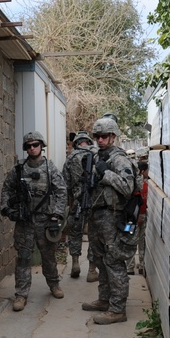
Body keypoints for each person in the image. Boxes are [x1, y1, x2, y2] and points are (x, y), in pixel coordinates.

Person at [0, 131, 68, 311]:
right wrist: (8, 209)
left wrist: (56, 215)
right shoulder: (18, 169)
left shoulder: (49, 168)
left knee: (48, 257)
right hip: (25, 221)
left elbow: (61, 192)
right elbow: (7, 189)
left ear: (41, 146)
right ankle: (21, 294)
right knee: (23, 258)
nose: (32, 148)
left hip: (45, 221)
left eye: (35, 145)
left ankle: (54, 284)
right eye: (29, 146)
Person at [81, 117, 139, 324]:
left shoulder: (119, 159)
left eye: (104, 136)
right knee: (100, 259)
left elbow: (127, 187)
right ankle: (104, 300)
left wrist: (106, 173)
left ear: (113, 137)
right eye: (97, 137)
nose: (100, 140)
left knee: (114, 261)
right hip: (97, 215)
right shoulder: (96, 157)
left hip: (113, 216)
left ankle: (118, 309)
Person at [63, 131, 96, 278]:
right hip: (95, 202)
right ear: (89, 142)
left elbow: (65, 184)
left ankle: (75, 263)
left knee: (75, 233)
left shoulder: (70, 158)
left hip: (78, 201)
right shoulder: (97, 154)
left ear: (76, 143)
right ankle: (91, 270)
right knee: (94, 235)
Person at [128, 156, 150, 275]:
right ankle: (141, 264)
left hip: (129, 220)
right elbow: (142, 202)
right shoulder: (143, 185)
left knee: (129, 240)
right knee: (140, 241)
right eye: (147, 170)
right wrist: (141, 216)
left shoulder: (131, 183)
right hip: (139, 217)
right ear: (142, 171)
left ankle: (130, 267)